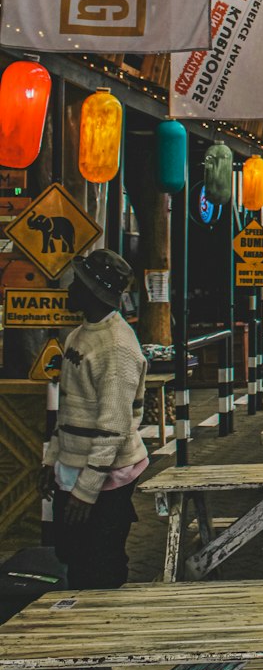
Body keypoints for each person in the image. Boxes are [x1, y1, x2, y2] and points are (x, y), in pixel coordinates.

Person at [39, 249, 148, 590]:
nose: (69, 290)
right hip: (73, 466)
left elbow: (113, 428)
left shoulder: (117, 347)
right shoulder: (79, 335)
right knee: (73, 555)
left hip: (104, 477)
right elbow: (67, 410)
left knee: (100, 563)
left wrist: (85, 491)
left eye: (77, 284)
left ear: (91, 292)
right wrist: (51, 462)